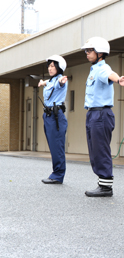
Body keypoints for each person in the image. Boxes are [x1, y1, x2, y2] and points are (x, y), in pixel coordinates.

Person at [81, 37, 124, 197]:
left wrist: (118, 79)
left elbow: (110, 74)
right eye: (86, 51)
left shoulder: (102, 68)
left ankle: (106, 186)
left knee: (101, 149)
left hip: (101, 114)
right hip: (93, 113)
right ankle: (102, 183)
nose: (87, 53)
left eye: (90, 50)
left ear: (100, 53)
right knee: (95, 150)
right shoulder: (94, 69)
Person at [38, 55, 68, 184]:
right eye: (49, 66)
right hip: (48, 115)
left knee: (57, 146)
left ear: (59, 67)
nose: (50, 68)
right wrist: (42, 82)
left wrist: (62, 81)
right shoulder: (50, 81)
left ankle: (58, 175)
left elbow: (60, 82)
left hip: (56, 116)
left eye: (53, 66)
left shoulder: (59, 80)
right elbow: (48, 83)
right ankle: (56, 173)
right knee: (52, 145)